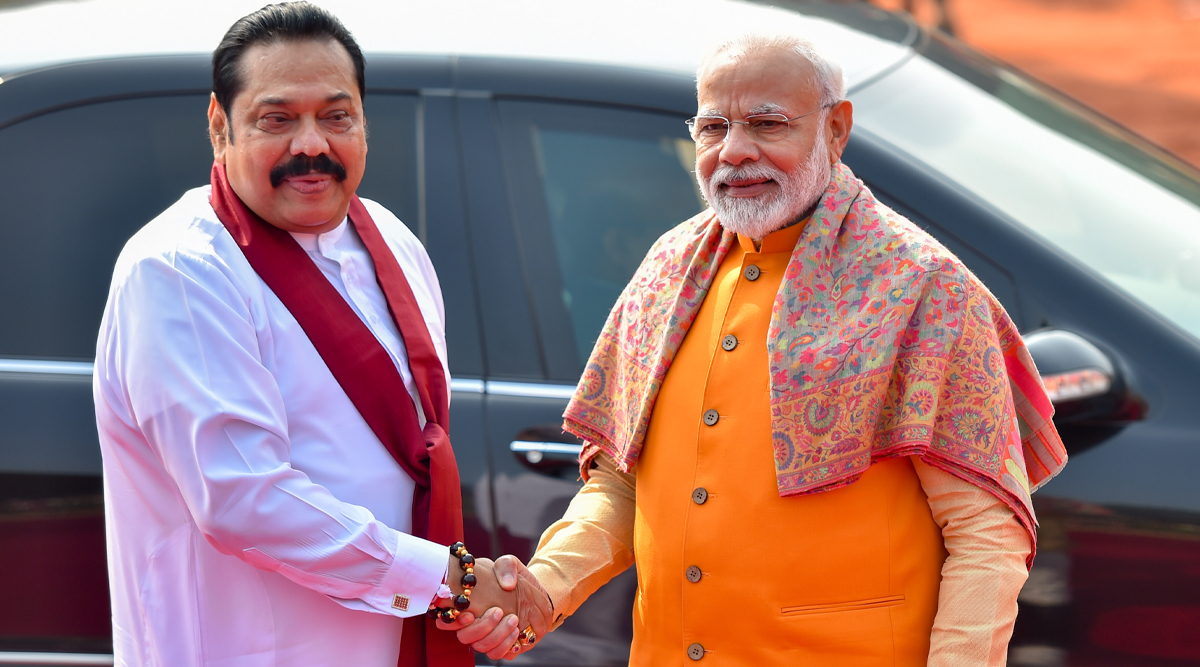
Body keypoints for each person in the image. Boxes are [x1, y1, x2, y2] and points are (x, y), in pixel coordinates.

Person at [450, 31, 1068, 665]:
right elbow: (621, 486)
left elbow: (985, 534)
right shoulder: (669, 269)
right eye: (714, 127)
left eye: (767, 124)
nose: (735, 152)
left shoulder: (922, 287)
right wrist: (544, 589)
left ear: (836, 129)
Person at [92, 3, 547, 666]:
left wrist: (462, 591)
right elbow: (245, 498)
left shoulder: (393, 242)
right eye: (277, 119)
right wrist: (452, 579)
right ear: (220, 126)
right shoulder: (180, 270)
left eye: (336, 116)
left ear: (364, 121)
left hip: (397, 637)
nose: (312, 144)